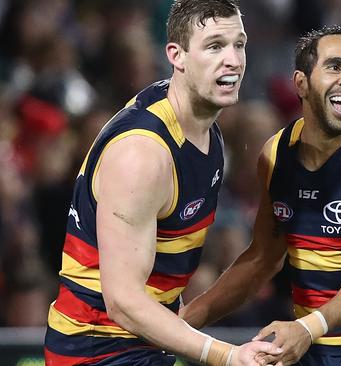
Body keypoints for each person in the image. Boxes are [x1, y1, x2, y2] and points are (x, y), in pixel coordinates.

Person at [181, 24, 341, 366]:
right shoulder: (276, 154)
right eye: (335, 66)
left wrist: (307, 327)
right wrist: (181, 324)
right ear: (301, 84)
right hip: (316, 350)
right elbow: (263, 258)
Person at [43, 1, 282, 365]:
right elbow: (123, 302)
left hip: (145, 348)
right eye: (215, 46)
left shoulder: (205, 132)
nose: (233, 59)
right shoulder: (142, 154)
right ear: (177, 55)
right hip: (96, 353)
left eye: (239, 44)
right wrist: (227, 356)